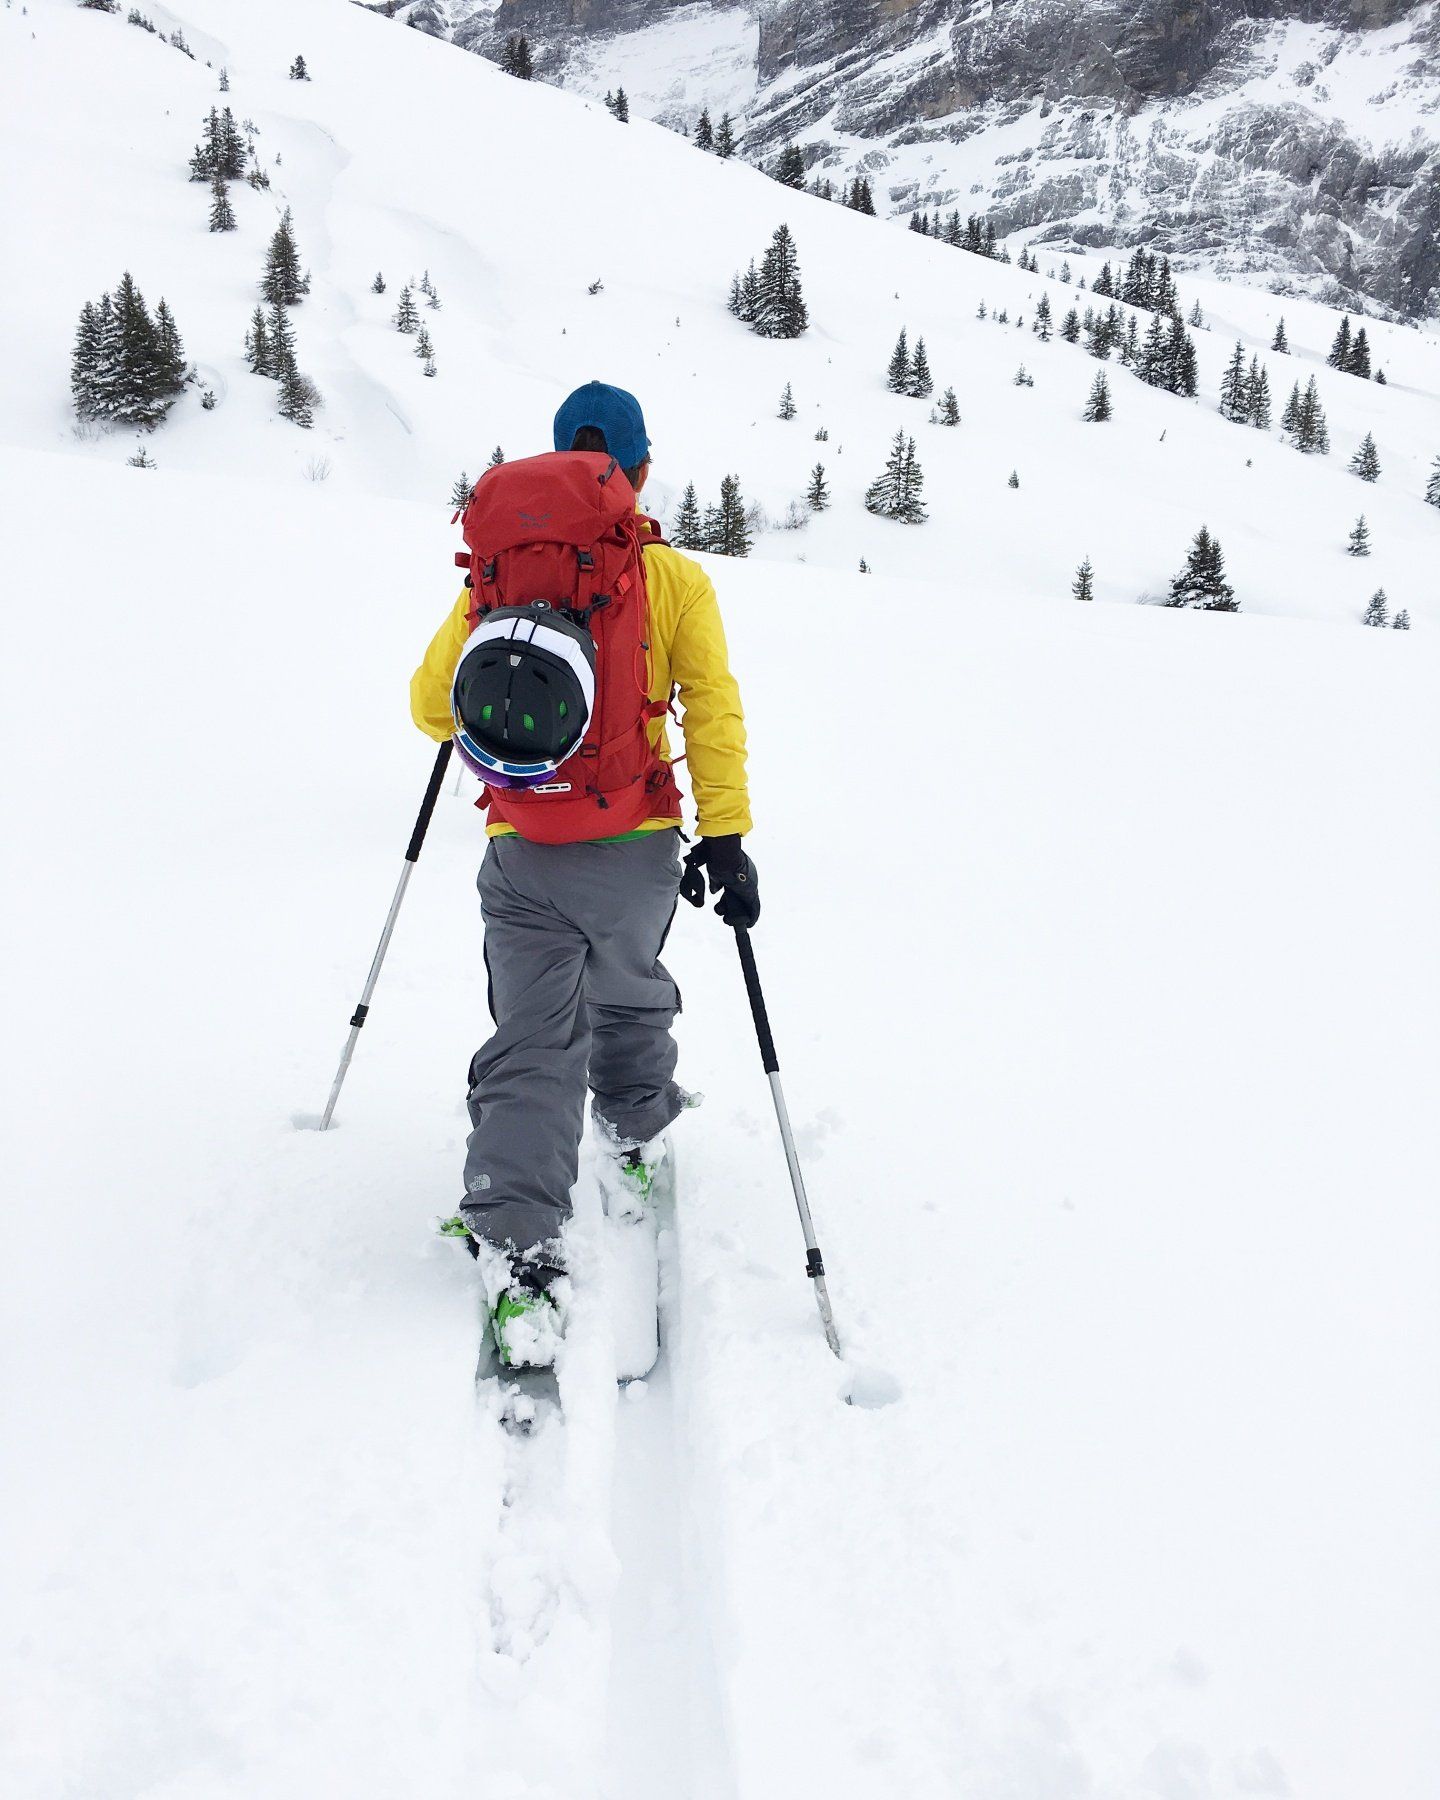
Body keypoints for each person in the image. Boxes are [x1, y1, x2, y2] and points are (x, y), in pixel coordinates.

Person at [409, 381, 758, 1366]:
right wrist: (725, 836)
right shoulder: (673, 580)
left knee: (531, 1037)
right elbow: (711, 709)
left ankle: (519, 1254)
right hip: (637, 844)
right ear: (638, 470)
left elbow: (432, 706)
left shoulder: (501, 572)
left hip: (521, 847)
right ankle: (638, 1140)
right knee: (628, 993)